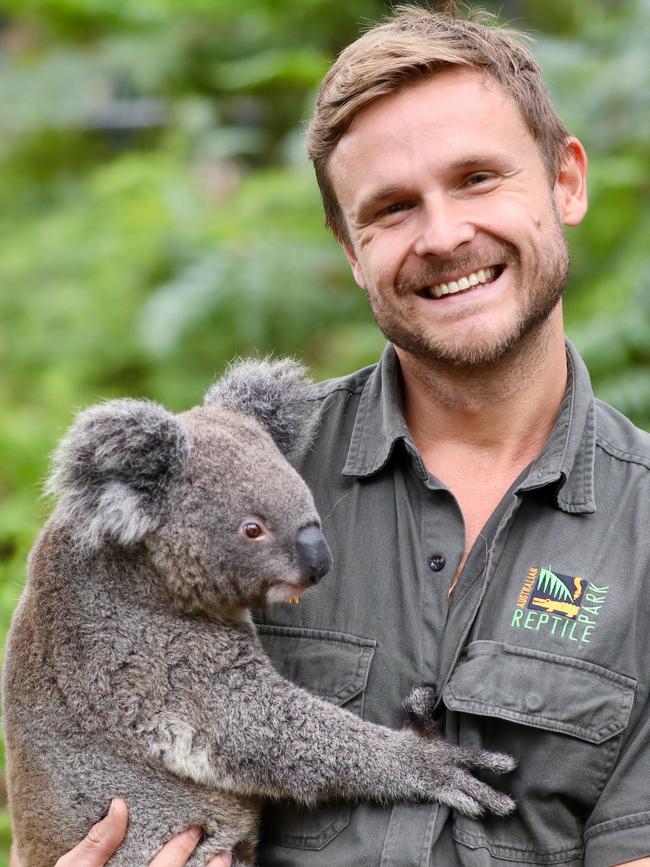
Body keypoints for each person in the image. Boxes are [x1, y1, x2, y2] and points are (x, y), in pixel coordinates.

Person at [16, 4, 650, 866]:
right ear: (351, 249)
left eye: (477, 178)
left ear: (566, 182)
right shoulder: (216, 485)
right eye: (391, 207)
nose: (444, 234)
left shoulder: (639, 526)